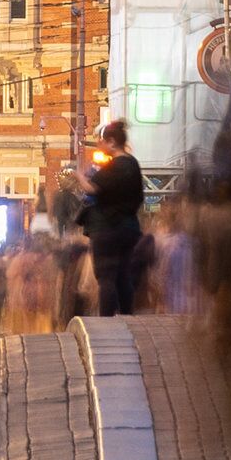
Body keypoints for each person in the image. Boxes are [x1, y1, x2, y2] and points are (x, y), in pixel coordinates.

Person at [82, 121, 147, 316]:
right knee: (123, 275)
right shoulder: (133, 164)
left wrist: (79, 177)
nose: (100, 145)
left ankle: (107, 320)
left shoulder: (114, 167)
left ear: (112, 142)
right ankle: (127, 315)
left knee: (106, 276)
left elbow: (93, 189)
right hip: (129, 228)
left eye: (102, 141)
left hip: (107, 229)